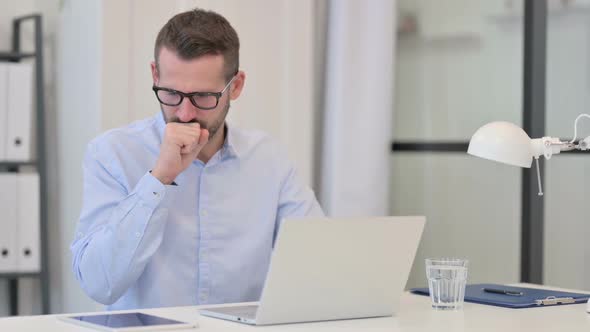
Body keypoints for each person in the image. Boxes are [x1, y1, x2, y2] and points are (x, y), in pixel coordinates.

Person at [71, 8, 323, 310]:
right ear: (155, 75)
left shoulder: (269, 160)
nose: (185, 114)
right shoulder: (112, 154)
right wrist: (158, 180)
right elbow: (99, 284)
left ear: (237, 86)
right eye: (171, 93)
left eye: (203, 97)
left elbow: (318, 264)